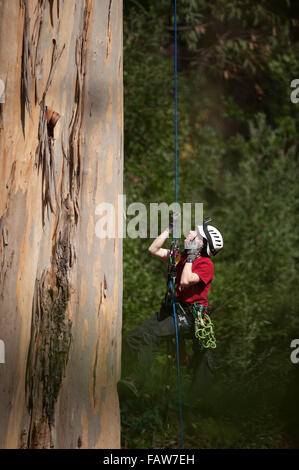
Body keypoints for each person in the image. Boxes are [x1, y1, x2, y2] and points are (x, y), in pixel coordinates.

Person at [120, 213, 223, 400]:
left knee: (150, 336)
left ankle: (135, 381)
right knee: (130, 339)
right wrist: (169, 229)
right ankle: (121, 373)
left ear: (201, 243)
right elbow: (153, 249)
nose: (190, 232)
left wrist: (191, 257)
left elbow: (184, 281)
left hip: (190, 316)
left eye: (195, 233)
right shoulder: (183, 257)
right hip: (172, 310)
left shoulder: (205, 264)